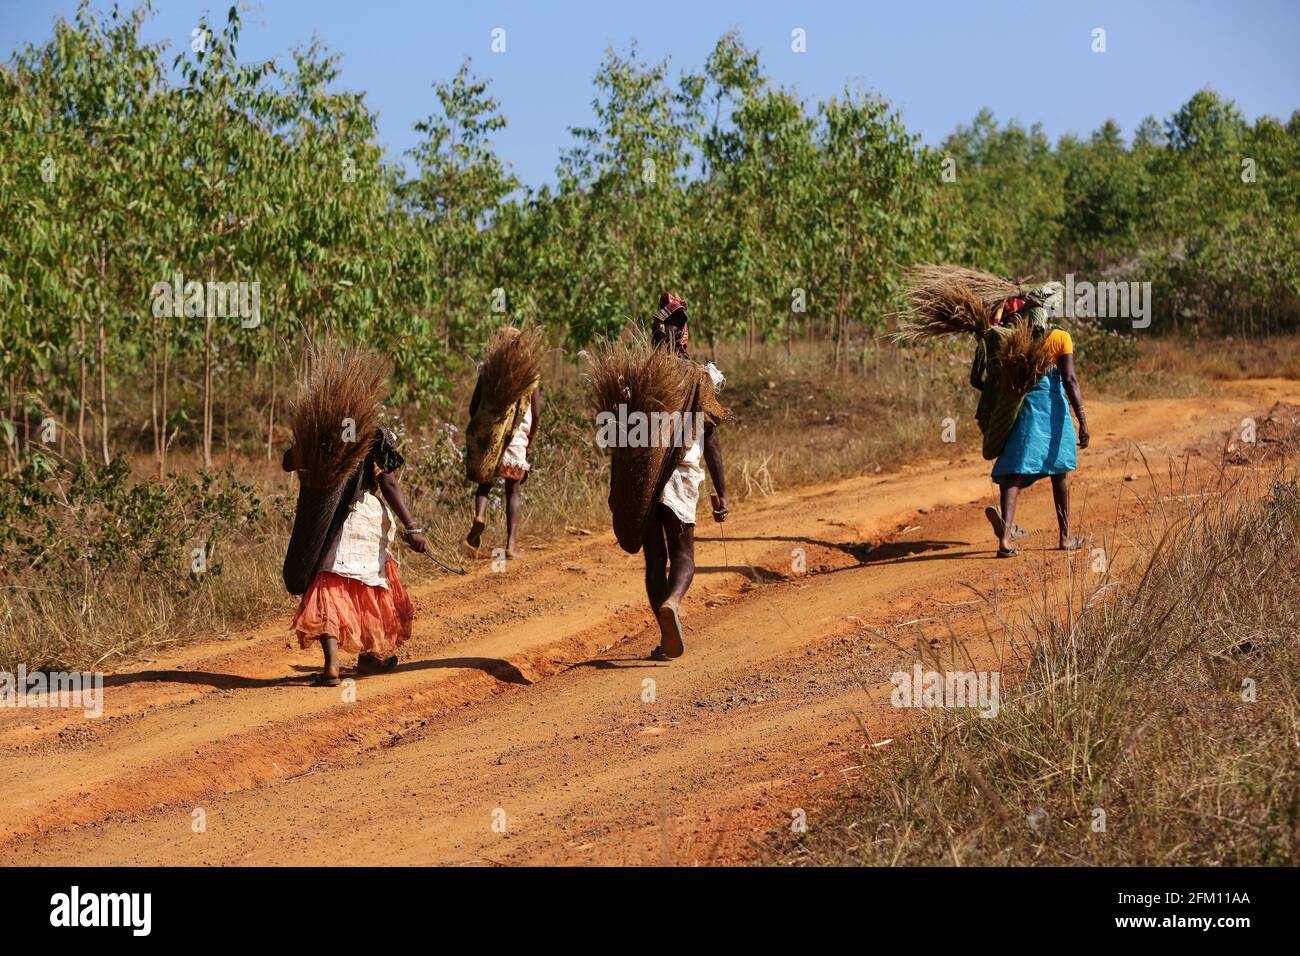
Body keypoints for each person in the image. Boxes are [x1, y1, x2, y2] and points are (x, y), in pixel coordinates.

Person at [283, 428, 428, 686]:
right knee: (367, 582)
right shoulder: (374, 433)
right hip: (362, 515)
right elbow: (388, 481)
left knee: (329, 580)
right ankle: (368, 657)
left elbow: (288, 462)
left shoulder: (322, 431)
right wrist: (412, 527)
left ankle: (332, 665)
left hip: (328, 518)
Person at [971, 285, 1091, 557]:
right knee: (1059, 473)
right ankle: (1065, 537)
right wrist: (1082, 420)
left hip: (1023, 408)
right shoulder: (1060, 337)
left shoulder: (1013, 338)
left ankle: (1006, 538)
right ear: (1050, 312)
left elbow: (986, 378)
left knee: (1014, 470)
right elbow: (1070, 380)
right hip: (1053, 409)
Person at [643, 293, 729, 660]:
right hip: (680, 476)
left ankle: (665, 637)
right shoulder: (696, 378)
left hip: (644, 480)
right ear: (684, 335)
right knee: (684, 557)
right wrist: (722, 492)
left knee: (654, 560)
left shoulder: (637, 376)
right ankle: (673, 604)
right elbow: (710, 440)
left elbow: (618, 438)